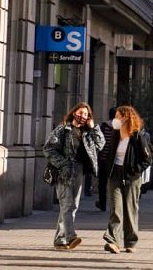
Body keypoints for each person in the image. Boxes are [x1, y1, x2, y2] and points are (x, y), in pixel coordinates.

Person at [44, 102, 105, 250]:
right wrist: (63, 163)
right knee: (66, 204)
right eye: (80, 112)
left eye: (86, 114)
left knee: (73, 206)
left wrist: (94, 128)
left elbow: (101, 144)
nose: (82, 116)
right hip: (63, 172)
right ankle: (71, 237)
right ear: (74, 113)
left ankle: (59, 239)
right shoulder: (63, 129)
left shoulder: (87, 132)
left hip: (79, 171)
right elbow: (48, 149)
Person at [102, 105, 153, 254]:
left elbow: (147, 159)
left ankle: (131, 241)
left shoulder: (137, 137)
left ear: (126, 118)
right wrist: (107, 169)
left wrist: (134, 170)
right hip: (114, 175)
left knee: (130, 210)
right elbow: (109, 154)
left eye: (118, 117)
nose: (115, 120)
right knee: (116, 209)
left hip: (131, 177)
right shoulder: (115, 134)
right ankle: (113, 241)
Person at [95, 107, 117, 211]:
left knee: (102, 183)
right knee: (115, 182)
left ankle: (102, 203)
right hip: (115, 161)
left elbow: (99, 142)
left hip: (103, 159)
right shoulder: (120, 127)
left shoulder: (104, 126)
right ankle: (115, 203)